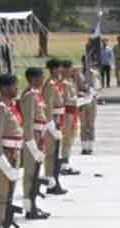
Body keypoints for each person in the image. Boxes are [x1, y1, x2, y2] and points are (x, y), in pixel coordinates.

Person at [0, 74, 25, 228]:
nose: (16, 89)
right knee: (1, 200)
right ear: (4, 88)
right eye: (13, 86)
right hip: (5, 155)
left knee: (8, 200)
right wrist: (5, 165)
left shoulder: (11, 107)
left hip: (14, 155)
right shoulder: (0, 109)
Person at [20, 67, 51, 220]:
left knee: (35, 175)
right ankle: (29, 209)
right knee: (30, 175)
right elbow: (28, 122)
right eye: (40, 78)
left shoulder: (36, 95)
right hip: (32, 137)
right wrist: (32, 146)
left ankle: (33, 205)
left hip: (39, 136)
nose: (42, 81)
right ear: (32, 79)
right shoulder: (30, 96)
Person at [42, 59, 68, 195]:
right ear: (53, 70)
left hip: (58, 120)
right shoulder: (50, 86)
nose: (60, 71)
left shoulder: (55, 84)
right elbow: (48, 107)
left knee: (54, 154)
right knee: (51, 154)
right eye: (58, 69)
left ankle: (53, 180)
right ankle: (51, 182)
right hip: (53, 122)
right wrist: (51, 126)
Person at [59, 59, 81, 176]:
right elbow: (66, 99)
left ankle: (66, 162)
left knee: (71, 138)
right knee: (66, 139)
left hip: (73, 112)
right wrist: (78, 100)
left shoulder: (71, 81)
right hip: (67, 113)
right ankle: (63, 164)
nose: (72, 71)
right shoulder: (62, 83)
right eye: (70, 68)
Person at [78, 56, 100, 155]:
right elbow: (76, 87)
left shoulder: (94, 74)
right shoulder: (78, 74)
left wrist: (93, 92)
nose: (87, 64)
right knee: (83, 125)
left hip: (92, 101)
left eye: (89, 62)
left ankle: (90, 146)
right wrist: (82, 93)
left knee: (91, 124)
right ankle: (84, 147)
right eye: (85, 62)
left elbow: (97, 87)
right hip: (82, 101)